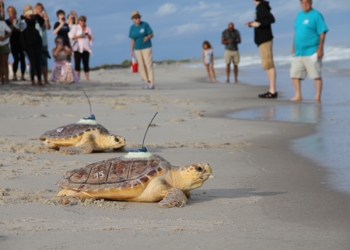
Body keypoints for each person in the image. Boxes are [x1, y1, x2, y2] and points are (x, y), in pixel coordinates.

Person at [290, 0, 328, 103]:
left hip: (312, 51)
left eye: (307, 2)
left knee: (316, 75)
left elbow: (322, 32)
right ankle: (298, 95)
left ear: (311, 3)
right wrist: (293, 47)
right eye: (302, 2)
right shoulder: (299, 15)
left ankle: (318, 97)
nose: (305, 4)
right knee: (294, 74)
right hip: (298, 52)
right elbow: (296, 32)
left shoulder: (316, 15)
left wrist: (321, 49)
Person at [247, 0, 277, 99]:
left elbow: (271, 19)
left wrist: (257, 24)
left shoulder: (261, 7)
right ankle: (271, 90)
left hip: (265, 39)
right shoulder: (261, 7)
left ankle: (272, 91)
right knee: (267, 65)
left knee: (269, 65)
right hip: (263, 40)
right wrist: (254, 24)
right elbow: (267, 20)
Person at [129, 11, 155, 89]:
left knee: (148, 65)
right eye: (136, 18)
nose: (138, 19)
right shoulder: (132, 28)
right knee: (141, 66)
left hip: (146, 47)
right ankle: (147, 82)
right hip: (137, 49)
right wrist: (132, 51)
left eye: (139, 17)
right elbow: (132, 40)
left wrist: (148, 37)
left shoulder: (145, 25)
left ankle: (152, 83)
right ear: (133, 19)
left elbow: (152, 34)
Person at [21, 5, 44, 86]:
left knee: (38, 62)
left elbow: (42, 21)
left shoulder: (35, 18)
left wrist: (36, 14)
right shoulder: (24, 19)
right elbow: (22, 19)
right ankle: (32, 80)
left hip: (37, 41)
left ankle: (39, 80)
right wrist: (26, 15)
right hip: (28, 43)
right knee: (32, 62)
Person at [68, 15, 93, 81]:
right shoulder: (76, 27)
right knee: (77, 64)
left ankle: (87, 78)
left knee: (86, 63)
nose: (82, 22)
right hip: (77, 48)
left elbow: (91, 38)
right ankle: (77, 78)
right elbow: (72, 37)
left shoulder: (88, 28)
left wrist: (89, 36)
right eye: (81, 20)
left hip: (86, 48)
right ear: (79, 21)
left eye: (84, 20)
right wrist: (80, 36)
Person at [6, 5, 26, 81]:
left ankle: (23, 75)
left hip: (21, 41)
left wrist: (16, 26)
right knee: (16, 59)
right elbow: (8, 31)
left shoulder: (19, 20)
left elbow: (22, 29)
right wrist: (13, 26)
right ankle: (14, 74)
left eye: (12, 11)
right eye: (9, 11)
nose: (11, 13)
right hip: (13, 42)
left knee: (22, 58)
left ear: (15, 12)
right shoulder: (7, 21)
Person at [35, 3, 51, 84]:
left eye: (40, 8)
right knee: (36, 61)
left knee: (44, 61)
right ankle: (38, 79)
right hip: (35, 43)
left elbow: (48, 27)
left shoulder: (44, 18)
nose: (39, 10)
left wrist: (47, 19)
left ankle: (45, 79)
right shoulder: (33, 17)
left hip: (44, 42)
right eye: (37, 8)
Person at [0, 1, 11, 85]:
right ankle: (2, 79)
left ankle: (6, 79)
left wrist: (5, 37)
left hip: (4, 44)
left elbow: (10, 32)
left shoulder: (2, 22)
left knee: (5, 62)